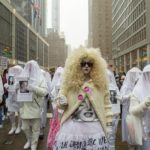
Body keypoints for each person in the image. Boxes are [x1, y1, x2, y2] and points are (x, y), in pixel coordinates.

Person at [52, 47, 112, 150]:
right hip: (73, 127)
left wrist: (109, 124)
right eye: (83, 63)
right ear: (77, 65)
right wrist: (62, 101)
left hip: (94, 127)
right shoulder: (69, 82)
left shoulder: (101, 84)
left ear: (94, 66)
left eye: (90, 64)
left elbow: (107, 105)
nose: (86, 66)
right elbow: (60, 103)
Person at [19, 60, 48, 150]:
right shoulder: (23, 78)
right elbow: (16, 87)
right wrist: (11, 86)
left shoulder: (41, 79)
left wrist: (33, 88)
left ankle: (34, 144)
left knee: (36, 128)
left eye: (31, 67)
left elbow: (44, 92)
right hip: (25, 106)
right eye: (28, 67)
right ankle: (29, 140)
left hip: (36, 106)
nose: (30, 69)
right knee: (24, 127)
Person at [129, 64, 150, 150]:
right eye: (148, 74)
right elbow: (132, 111)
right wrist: (145, 103)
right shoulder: (137, 91)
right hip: (144, 129)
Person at [120, 67, 142, 147]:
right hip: (128, 112)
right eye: (133, 74)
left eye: (136, 74)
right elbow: (121, 98)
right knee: (130, 131)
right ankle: (131, 146)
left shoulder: (140, 86)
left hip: (138, 112)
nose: (135, 76)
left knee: (139, 132)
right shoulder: (125, 86)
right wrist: (129, 96)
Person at [4, 65, 23, 134]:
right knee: (11, 112)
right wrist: (6, 86)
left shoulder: (22, 78)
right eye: (13, 70)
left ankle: (19, 126)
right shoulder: (10, 77)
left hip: (19, 97)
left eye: (16, 70)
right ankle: (13, 126)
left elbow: (24, 88)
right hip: (11, 97)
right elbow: (8, 84)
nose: (15, 71)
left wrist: (19, 86)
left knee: (19, 112)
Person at [107, 69, 120, 150]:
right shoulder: (114, 88)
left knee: (110, 136)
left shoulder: (113, 88)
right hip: (112, 115)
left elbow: (117, 100)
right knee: (111, 136)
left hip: (111, 115)